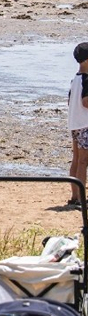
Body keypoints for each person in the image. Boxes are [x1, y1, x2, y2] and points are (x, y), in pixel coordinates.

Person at [67, 43, 88, 206]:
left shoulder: (75, 78)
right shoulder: (87, 79)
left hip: (75, 123)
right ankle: (80, 198)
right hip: (85, 124)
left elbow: (70, 101)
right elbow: (86, 102)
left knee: (76, 159)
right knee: (83, 161)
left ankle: (75, 196)